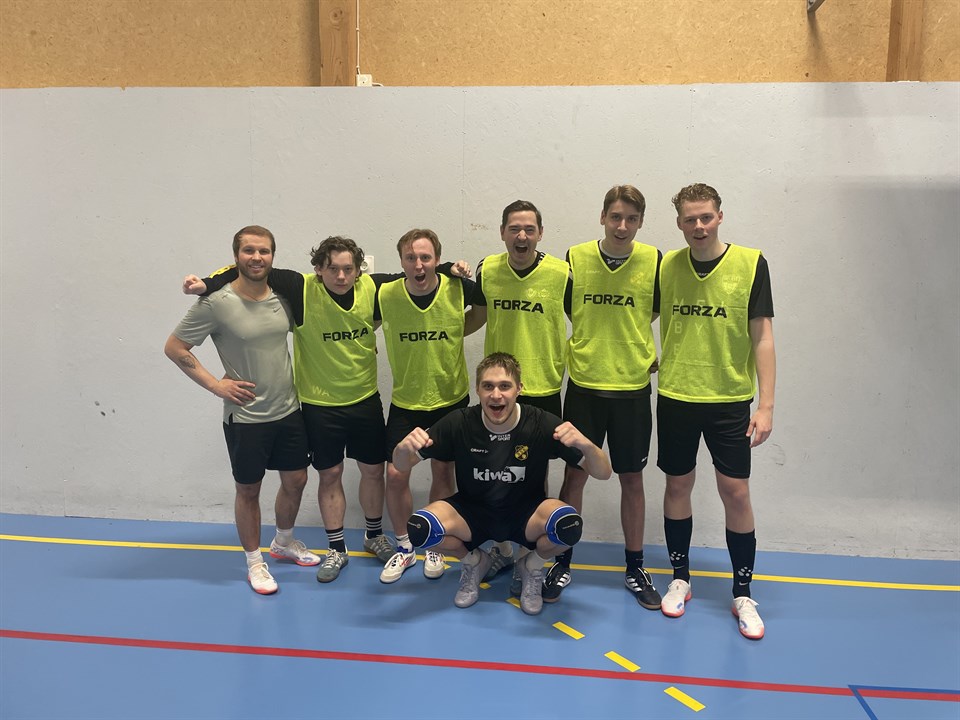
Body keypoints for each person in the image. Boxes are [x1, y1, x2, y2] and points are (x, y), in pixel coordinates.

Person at [184, 237, 471, 583]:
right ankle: (337, 548)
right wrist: (208, 283)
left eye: (348, 269)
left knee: (373, 472)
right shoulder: (301, 288)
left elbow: (416, 271)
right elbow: (251, 268)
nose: (341, 276)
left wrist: (447, 267)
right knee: (330, 474)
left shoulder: (373, 287)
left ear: (358, 270)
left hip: (365, 399)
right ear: (319, 269)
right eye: (333, 268)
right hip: (320, 405)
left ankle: (373, 535)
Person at [164, 225, 320, 595]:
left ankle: (283, 542)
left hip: (288, 409)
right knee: (248, 490)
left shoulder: (282, 298)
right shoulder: (216, 303)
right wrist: (215, 385)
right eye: (249, 250)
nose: (256, 257)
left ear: (272, 256)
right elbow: (175, 347)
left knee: (297, 480)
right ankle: (254, 561)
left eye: (263, 251)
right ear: (236, 256)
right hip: (246, 418)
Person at [393, 353, 611, 614]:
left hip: (526, 513)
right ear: (478, 389)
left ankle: (531, 567)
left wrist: (586, 445)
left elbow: (603, 473)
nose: (496, 395)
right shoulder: (459, 422)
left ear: (519, 389)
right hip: (472, 512)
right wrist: (402, 449)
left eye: (504, 386)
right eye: (488, 386)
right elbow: (401, 464)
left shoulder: (540, 422)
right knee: (420, 529)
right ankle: (474, 562)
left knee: (569, 526)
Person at [657, 183, 776, 640]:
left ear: (720, 216)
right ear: (679, 223)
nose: (699, 226)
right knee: (677, 485)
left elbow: (762, 337)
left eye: (706, 217)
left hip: (729, 400)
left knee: (736, 492)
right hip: (677, 395)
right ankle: (680, 579)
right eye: (690, 219)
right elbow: (631, 314)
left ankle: (743, 593)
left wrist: (766, 405)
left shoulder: (751, 263)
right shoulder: (666, 266)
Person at [547, 185, 662, 610]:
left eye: (631, 219)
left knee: (631, 478)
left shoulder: (654, 260)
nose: (622, 226)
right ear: (602, 217)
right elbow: (569, 308)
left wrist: (632, 347)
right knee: (574, 475)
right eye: (615, 216)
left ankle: (635, 567)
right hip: (585, 385)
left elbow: (654, 311)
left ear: (641, 222)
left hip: (631, 388)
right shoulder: (576, 257)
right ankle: (562, 560)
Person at [464, 200, 570, 585]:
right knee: (494, 473)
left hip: (542, 386)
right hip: (499, 390)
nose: (521, 236)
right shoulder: (488, 269)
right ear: (502, 233)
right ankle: (502, 550)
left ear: (540, 233)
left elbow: (590, 320)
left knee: (534, 477)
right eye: (514, 229)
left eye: (529, 229)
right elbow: (476, 316)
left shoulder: (562, 273)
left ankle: (530, 560)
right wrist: (438, 336)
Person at [378, 228, 481, 584]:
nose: (418, 265)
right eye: (411, 258)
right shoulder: (386, 293)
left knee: (443, 472)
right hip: (407, 401)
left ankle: (434, 542)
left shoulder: (457, 287)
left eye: (426, 257)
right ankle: (405, 546)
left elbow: (483, 308)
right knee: (396, 474)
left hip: (450, 399)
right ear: (401, 261)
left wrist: (456, 329)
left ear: (437, 259)